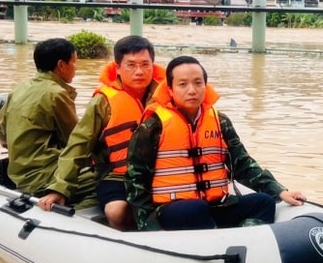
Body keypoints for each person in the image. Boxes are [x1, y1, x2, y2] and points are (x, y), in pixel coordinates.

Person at [125, 55, 307, 231]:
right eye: (183, 84)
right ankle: (218, 242)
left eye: (198, 83)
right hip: (173, 210)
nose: (192, 90)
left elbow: (243, 164)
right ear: (170, 90)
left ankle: (244, 241)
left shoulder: (220, 121)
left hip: (217, 205)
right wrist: (150, 227)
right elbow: (136, 179)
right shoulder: (153, 126)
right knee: (195, 209)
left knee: (263, 202)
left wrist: (280, 192)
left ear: (206, 86)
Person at [45, 36, 164, 228]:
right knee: (115, 211)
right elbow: (79, 144)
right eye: (131, 65)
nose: (139, 71)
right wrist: (60, 189)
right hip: (117, 175)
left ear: (153, 65)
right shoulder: (103, 101)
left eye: (145, 64)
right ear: (117, 68)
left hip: (161, 172)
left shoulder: (169, 94)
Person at [0, 37, 78, 207]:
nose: (76, 68)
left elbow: (2, 130)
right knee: (103, 180)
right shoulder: (56, 93)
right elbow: (75, 141)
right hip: (42, 174)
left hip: (17, 172)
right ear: (61, 65)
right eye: (74, 62)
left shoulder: (19, 87)